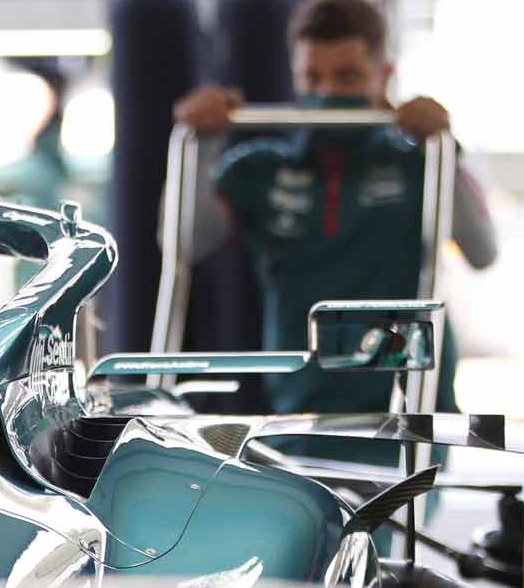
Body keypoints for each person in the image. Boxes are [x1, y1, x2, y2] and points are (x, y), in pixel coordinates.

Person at [172, 0, 498, 468]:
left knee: (392, 540)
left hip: (407, 417)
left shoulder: (416, 164)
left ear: (383, 76)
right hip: (296, 420)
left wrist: (444, 145)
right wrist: (204, 144)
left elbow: (483, 251)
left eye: (347, 78)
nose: (327, 93)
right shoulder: (261, 170)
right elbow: (185, 243)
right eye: (312, 79)